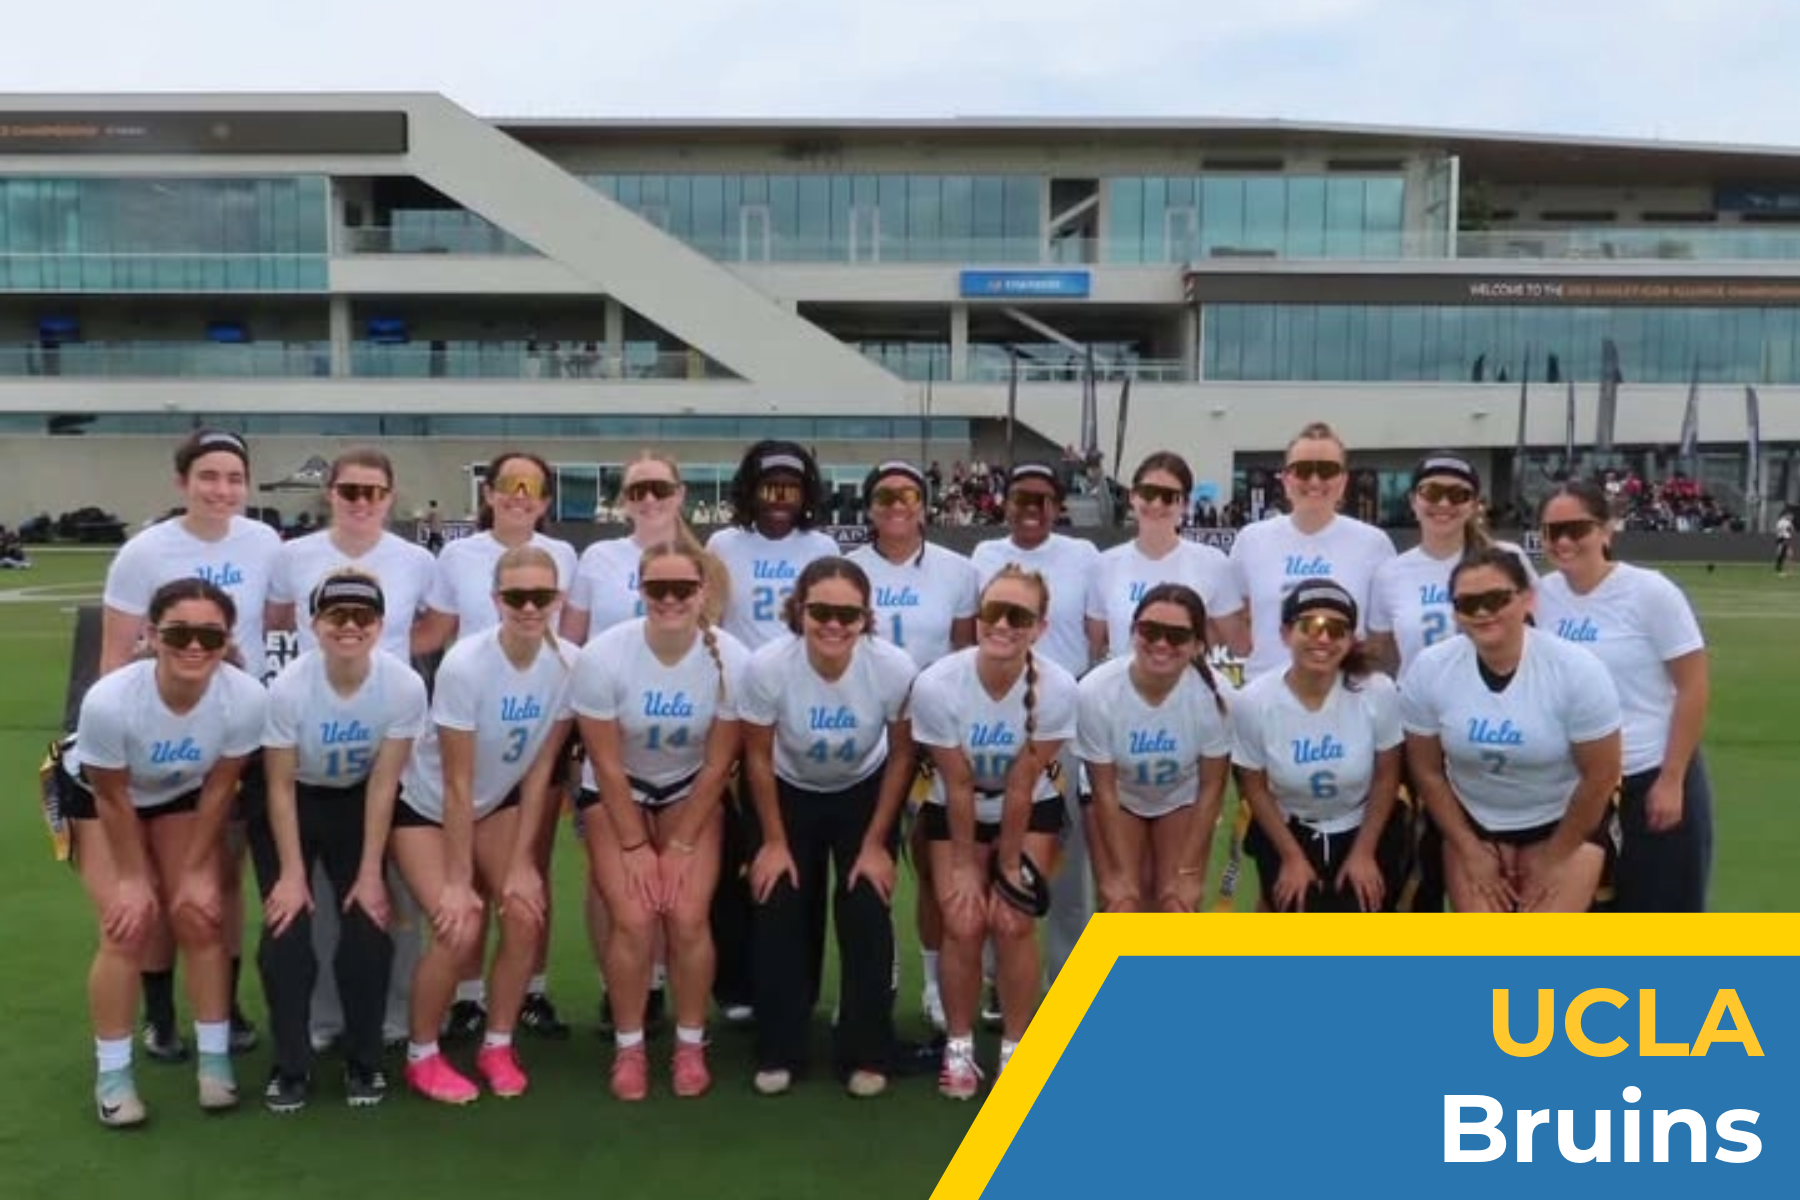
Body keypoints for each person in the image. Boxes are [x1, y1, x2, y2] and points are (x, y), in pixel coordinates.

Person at [100, 428, 277, 1063]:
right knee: (149, 881)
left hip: (231, 736)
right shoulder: (144, 552)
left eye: (234, 478)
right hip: (157, 743)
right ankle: (160, 1016)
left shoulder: (264, 542)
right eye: (208, 476)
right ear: (182, 482)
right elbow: (114, 657)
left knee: (219, 878)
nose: (221, 490)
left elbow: (273, 625)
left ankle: (221, 1006)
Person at [65, 578, 268, 1127]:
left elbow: (221, 787)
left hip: (179, 790)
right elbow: (111, 796)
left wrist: (199, 870)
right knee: (127, 924)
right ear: (152, 636)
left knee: (200, 914)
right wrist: (134, 879)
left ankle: (215, 1063)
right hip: (96, 795)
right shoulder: (110, 702)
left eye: (211, 635)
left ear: (227, 641)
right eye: (179, 633)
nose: (195, 646)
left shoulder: (245, 697)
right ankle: (113, 1077)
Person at [264, 446, 437, 1054]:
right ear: (330, 493)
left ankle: (394, 1013)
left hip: (389, 736)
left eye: (373, 492)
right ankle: (325, 1018)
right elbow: (277, 621)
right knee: (319, 895)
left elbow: (438, 624)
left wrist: (385, 663)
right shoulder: (293, 556)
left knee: (392, 891)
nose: (362, 501)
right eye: (350, 490)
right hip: (319, 738)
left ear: (390, 497)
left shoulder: (416, 560)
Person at [394, 545, 575, 1103]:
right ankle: (422, 1054)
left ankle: (498, 1043)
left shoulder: (569, 663)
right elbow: (457, 783)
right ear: (496, 600)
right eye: (517, 597)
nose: (529, 607)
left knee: (524, 911)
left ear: (558, 600)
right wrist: (457, 880)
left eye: (541, 596)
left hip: (498, 804)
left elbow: (541, 770)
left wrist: (522, 863)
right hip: (427, 809)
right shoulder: (466, 664)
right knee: (461, 925)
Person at [572, 541, 749, 1100]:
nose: (670, 599)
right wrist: (634, 846)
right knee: (633, 917)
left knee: (688, 915)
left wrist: (679, 846)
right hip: (616, 788)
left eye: (683, 589)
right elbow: (604, 761)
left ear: (704, 593)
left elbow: (719, 763)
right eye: (657, 589)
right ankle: (629, 1048)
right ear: (641, 591)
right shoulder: (604, 655)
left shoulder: (731, 658)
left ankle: (690, 1044)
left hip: (688, 788)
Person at [738, 557, 917, 1098]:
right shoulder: (768, 666)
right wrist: (772, 841)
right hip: (787, 789)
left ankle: (867, 1048)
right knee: (779, 897)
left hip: (864, 789)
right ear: (799, 610)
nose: (834, 625)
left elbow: (903, 755)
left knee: (866, 900)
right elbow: (756, 755)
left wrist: (877, 843)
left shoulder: (892, 667)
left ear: (866, 617)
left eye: (848, 614)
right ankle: (781, 1046)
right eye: (820, 612)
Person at [415, 450, 578, 1041]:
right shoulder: (458, 556)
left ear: (546, 499)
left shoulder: (564, 555)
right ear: (488, 493)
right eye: (508, 484)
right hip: (471, 724)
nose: (518, 495)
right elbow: (435, 630)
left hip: (532, 727)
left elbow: (570, 635)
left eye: (531, 486)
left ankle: (531, 990)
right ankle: (468, 998)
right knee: (472, 881)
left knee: (529, 866)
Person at [562, 452, 725, 1034]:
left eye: (659, 487)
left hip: (682, 742)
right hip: (611, 727)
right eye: (637, 490)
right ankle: (625, 990)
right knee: (613, 887)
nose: (649, 499)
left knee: (680, 893)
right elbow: (572, 642)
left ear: (679, 493)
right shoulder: (598, 559)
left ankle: (668, 995)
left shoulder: (709, 563)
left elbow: (714, 648)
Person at [253, 570, 427, 1112]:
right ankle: (291, 1065)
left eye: (362, 616)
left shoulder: (403, 685)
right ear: (314, 623)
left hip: (358, 800)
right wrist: (291, 874)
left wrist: (372, 873)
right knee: (286, 929)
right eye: (336, 615)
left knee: (369, 923)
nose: (350, 626)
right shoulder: (288, 688)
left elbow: (384, 782)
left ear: (380, 624)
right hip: (293, 802)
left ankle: (364, 1058)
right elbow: (278, 786)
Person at [910, 565, 1077, 1099]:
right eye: (992, 611)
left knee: (1012, 919)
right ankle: (958, 1048)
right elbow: (958, 783)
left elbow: (1023, 785)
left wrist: (1007, 868)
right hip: (952, 804)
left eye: (1018, 616)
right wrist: (964, 864)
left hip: (1028, 807)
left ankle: (1015, 1048)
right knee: (962, 919)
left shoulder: (1058, 688)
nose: (1002, 625)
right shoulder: (937, 684)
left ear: (1040, 628)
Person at [1398, 549, 1624, 913]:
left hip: (1562, 820)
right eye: (1468, 603)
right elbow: (1427, 771)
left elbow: (1601, 776)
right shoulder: (1430, 669)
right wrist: (1470, 850)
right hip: (1473, 821)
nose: (1482, 612)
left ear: (1527, 599)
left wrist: (1555, 857)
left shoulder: (1576, 670)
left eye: (1496, 599)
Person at [1364, 452, 1535, 913]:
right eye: (1432, 493)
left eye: (1457, 494)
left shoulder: (1506, 559)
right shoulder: (1392, 572)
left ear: (1475, 504)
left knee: (1494, 867)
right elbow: (1380, 655)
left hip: (1493, 729)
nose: (1443, 504)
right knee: (1418, 868)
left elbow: (1534, 640)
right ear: (1414, 501)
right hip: (1420, 733)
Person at [705, 440, 840, 1022]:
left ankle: (799, 986)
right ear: (750, 490)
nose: (779, 498)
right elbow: (711, 619)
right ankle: (737, 983)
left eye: (791, 486)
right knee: (736, 858)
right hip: (740, 711)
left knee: (801, 862)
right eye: (769, 486)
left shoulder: (822, 547)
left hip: (801, 712)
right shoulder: (723, 544)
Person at [1535, 480, 1712, 912]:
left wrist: (1671, 780)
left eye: (1576, 529)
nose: (1563, 542)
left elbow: (1693, 685)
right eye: (1552, 531)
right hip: (1578, 787)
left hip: (1647, 773)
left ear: (1605, 530)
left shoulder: (1649, 591)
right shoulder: (1540, 597)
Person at [845, 458, 978, 1033]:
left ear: (924, 504)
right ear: (869, 506)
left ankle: (933, 983)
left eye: (908, 495)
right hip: (865, 734)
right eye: (885, 496)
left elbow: (964, 655)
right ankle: (877, 975)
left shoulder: (957, 571)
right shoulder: (848, 568)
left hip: (931, 738)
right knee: (865, 862)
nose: (897, 505)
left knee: (931, 863)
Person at [969, 463, 1101, 995]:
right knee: (996, 850)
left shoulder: (1083, 555)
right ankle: (997, 982)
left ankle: (1067, 985)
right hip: (996, 720)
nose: (1032, 508)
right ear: (1005, 503)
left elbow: (1096, 633)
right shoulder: (984, 556)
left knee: (1067, 863)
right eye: (1022, 497)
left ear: (1057, 506)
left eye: (1044, 499)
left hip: (1062, 722)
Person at [1232, 580, 1404, 913]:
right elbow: (1254, 787)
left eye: (1337, 629)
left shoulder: (1376, 691)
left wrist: (1364, 853)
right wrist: (1291, 858)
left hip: (1361, 825)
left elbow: (1387, 777)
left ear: (1351, 640)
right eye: (1310, 625)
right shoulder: (1254, 700)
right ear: (1286, 634)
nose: (1323, 638)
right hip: (1290, 827)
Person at [1076, 583, 1233, 914]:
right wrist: (1120, 877)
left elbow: (1211, 788)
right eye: (1150, 631)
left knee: (1176, 904)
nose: (1161, 644)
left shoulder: (1215, 695)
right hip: (1116, 796)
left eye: (1177, 636)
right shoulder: (1096, 691)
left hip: (1181, 796)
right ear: (1133, 632)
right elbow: (1104, 791)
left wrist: (1188, 873)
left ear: (1197, 645)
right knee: (1122, 904)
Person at [1226, 422, 1396, 684]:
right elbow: (1237, 616)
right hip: (1266, 691)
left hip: (1344, 691)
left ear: (1343, 481)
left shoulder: (1374, 543)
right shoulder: (1251, 540)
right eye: (1303, 470)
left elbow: (1379, 635)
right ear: (1286, 479)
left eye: (1327, 470)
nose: (1315, 481)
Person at [1084, 451, 1247, 661]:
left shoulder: (1213, 563)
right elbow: (1095, 648)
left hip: (1188, 679)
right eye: (1148, 493)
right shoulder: (1104, 565)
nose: (1156, 504)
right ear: (1133, 496)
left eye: (1169, 496)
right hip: (1125, 680)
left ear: (1185, 504)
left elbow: (1237, 644)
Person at [1774, 508, 1794, 576]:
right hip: (1783, 539)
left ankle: (1787, 570)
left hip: (1784, 539)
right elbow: (1788, 530)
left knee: (1788, 554)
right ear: (1786, 515)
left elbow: (1790, 530)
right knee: (1781, 554)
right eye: (1790, 515)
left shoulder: (1785, 522)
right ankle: (1779, 570)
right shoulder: (1784, 522)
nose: (1791, 517)